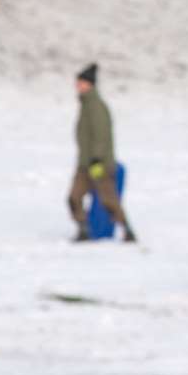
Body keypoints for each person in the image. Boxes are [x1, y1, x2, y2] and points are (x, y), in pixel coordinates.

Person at [67, 64, 137, 243]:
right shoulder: (85, 105)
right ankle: (83, 229)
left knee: (108, 200)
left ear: (90, 84)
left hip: (99, 164)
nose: (78, 86)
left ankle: (127, 230)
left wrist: (97, 159)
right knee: (74, 197)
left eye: (82, 83)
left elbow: (102, 134)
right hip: (84, 164)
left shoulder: (96, 107)